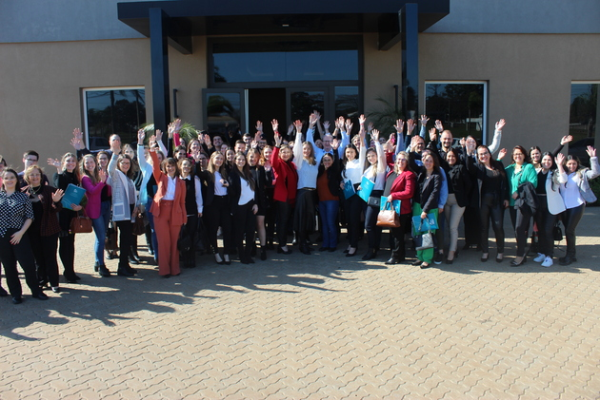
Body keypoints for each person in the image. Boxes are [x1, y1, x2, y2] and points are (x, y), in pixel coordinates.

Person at [0, 169, 48, 304]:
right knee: (9, 266)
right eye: (6, 178)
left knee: (28, 264)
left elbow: (29, 217)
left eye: (12, 178)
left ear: (16, 180)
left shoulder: (23, 197)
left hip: (19, 234)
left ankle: (36, 290)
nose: (9, 180)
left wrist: (21, 232)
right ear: (3, 180)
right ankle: (16, 294)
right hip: (2, 236)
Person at [23, 166, 64, 293]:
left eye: (37, 174)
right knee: (38, 258)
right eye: (32, 175)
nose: (35, 177)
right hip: (31, 231)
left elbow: (57, 209)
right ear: (27, 177)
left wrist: (55, 202)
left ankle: (54, 282)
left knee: (50, 257)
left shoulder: (49, 190)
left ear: (41, 176)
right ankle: (42, 280)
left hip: (49, 229)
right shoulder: (24, 192)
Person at [556, 147, 599, 265]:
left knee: (569, 230)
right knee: (568, 230)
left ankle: (570, 255)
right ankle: (572, 254)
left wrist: (593, 158)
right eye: (569, 164)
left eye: (574, 164)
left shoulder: (582, 173)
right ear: (565, 164)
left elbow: (595, 173)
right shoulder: (561, 173)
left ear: (577, 164)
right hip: (564, 207)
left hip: (577, 205)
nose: (572, 166)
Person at [466, 144, 509, 263]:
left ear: (489, 154)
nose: (483, 155)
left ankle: (500, 251)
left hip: (497, 201)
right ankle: (485, 251)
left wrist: (506, 198)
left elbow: (505, 182)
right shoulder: (478, 167)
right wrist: (469, 153)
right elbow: (469, 166)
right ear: (478, 156)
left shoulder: (498, 165)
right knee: (484, 228)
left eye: (485, 153)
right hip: (483, 202)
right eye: (480, 154)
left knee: (498, 226)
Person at [149, 148, 187, 277]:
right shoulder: (160, 177)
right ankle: (164, 270)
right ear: (165, 168)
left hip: (175, 212)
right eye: (168, 166)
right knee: (163, 242)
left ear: (176, 167)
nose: (170, 168)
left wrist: (184, 217)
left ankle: (175, 268)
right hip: (161, 212)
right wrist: (153, 153)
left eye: (172, 166)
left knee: (174, 242)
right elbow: (155, 167)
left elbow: (182, 202)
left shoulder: (181, 183)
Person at [107, 141, 139, 276]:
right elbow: (110, 170)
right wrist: (115, 155)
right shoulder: (116, 175)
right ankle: (122, 267)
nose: (125, 165)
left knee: (127, 239)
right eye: (123, 163)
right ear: (119, 164)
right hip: (122, 212)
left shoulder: (129, 178)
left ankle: (125, 264)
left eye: (127, 163)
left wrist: (136, 207)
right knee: (125, 239)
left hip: (130, 211)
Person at [51, 153, 83, 283]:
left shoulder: (75, 177)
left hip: (72, 215)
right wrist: (59, 170)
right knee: (64, 244)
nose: (70, 163)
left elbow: (79, 195)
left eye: (73, 161)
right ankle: (67, 272)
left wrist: (79, 206)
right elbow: (59, 188)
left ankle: (71, 270)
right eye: (68, 161)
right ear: (63, 162)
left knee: (70, 243)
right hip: (62, 215)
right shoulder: (58, 175)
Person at [505, 145, 538, 266]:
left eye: (520, 153)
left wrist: (518, 192)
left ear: (524, 155)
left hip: (524, 203)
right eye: (515, 154)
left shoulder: (528, 167)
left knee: (520, 228)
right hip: (512, 204)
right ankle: (522, 252)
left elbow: (533, 183)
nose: (517, 156)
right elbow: (498, 172)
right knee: (517, 230)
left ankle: (520, 256)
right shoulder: (510, 169)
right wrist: (499, 159)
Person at [532, 152, 566, 267]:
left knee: (548, 230)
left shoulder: (554, 173)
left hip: (551, 206)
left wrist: (560, 165)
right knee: (540, 230)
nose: (546, 162)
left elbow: (563, 180)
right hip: (539, 204)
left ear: (552, 162)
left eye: (549, 160)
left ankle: (549, 256)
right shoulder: (536, 172)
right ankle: (542, 253)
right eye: (545, 159)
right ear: (541, 161)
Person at [383, 152, 416, 264]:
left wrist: (394, 195)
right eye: (399, 159)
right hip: (391, 207)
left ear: (407, 162)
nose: (400, 161)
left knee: (397, 234)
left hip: (401, 209)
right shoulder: (392, 172)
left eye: (403, 160)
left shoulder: (408, 175)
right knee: (393, 232)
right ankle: (401, 255)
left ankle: (395, 256)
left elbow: (409, 192)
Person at [292, 116, 319, 255]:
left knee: (309, 220)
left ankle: (306, 242)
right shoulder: (299, 162)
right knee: (302, 220)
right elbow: (296, 149)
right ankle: (302, 244)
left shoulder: (314, 162)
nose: (306, 151)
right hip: (302, 193)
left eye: (308, 149)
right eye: (304, 149)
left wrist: (312, 127)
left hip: (312, 194)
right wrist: (298, 133)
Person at [271, 119, 298, 254]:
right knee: (283, 221)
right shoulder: (279, 164)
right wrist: (277, 145)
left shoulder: (292, 165)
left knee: (287, 221)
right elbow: (273, 161)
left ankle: (282, 244)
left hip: (291, 198)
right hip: (283, 198)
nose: (286, 154)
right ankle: (282, 245)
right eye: (283, 152)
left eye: (288, 152)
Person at [80, 154, 111, 277]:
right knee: (101, 237)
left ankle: (98, 261)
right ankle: (101, 265)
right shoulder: (85, 178)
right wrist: (102, 182)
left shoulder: (99, 174)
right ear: (83, 165)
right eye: (87, 163)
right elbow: (92, 191)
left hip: (105, 207)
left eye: (91, 162)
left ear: (95, 162)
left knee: (101, 237)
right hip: (94, 211)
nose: (89, 165)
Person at [200, 151, 233, 264]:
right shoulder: (207, 173)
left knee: (227, 229)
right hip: (213, 204)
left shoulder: (224, 173)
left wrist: (228, 185)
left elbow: (231, 188)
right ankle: (216, 253)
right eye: (217, 158)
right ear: (212, 159)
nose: (219, 160)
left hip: (225, 203)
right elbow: (197, 173)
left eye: (221, 159)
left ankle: (226, 253)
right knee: (213, 229)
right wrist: (196, 160)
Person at [412, 152, 442, 269]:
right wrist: (412, 148)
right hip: (417, 206)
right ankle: (420, 256)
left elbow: (434, 194)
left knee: (427, 234)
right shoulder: (421, 172)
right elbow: (410, 162)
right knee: (418, 233)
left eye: (430, 161)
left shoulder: (437, 176)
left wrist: (425, 210)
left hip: (429, 209)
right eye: (426, 160)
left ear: (434, 163)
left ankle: (427, 259)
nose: (428, 163)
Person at [361, 128, 388, 260]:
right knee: (374, 225)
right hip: (367, 196)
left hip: (376, 196)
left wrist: (377, 142)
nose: (370, 158)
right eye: (369, 156)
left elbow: (382, 157)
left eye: (373, 155)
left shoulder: (381, 168)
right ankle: (375, 247)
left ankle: (371, 249)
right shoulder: (368, 169)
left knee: (369, 225)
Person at [228, 152, 259, 264]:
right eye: (239, 159)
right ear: (235, 161)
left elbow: (254, 190)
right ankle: (241, 255)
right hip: (239, 206)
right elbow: (232, 193)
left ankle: (247, 254)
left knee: (250, 231)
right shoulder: (232, 174)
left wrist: (255, 203)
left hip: (251, 205)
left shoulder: (248, 173)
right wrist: (228, 185)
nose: (241, 161)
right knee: (240, 232)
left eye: (243, 159)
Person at [340, 118, 364, 257]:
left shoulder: (359, 162)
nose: (349, 154)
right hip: (347, 193)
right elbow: (344, 178)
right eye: (347, 152)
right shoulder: (345, 164)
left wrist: (361, 126)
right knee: (348, 220)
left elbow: (364, 147)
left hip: (356, 194)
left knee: (354, 220)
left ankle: (354, 246)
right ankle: (350, 243)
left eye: (351, 152)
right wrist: (341, 183)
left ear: (355, 152)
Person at [179, 157, 203, 269]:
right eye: (184, 165)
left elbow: (198, 195)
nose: (186, 167)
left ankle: (191, 259)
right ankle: (184, 258)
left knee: (192, 235)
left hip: (192, 211)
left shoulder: (195, 179)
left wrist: (200, 209)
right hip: (180, 212)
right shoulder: (176, 179)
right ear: (180, 166)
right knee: (182, 236)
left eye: (188, 165)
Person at [247, 148, 268, 260]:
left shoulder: (260, 169)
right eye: (251, 157)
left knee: (260, 224)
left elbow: (267, 182)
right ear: (247, 157)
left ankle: (263, 248)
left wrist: (267, 171)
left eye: (255, 157)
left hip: (259, 201)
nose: (253, 159)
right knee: (250, 225)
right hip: (248, 202)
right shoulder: (243, 170)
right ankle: (252, 246)